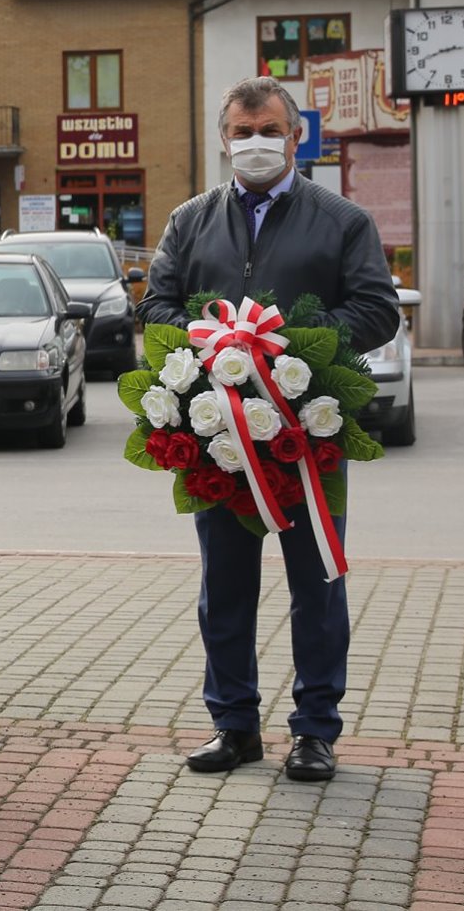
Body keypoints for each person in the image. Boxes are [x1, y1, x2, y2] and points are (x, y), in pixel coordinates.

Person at [137, 76, 399, 782]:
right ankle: (234, 724)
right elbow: (156, 303)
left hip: (305, 435)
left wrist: (290, 348)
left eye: (269, 130)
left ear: (295, 135)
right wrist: (212, 346)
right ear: (224, 137)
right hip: (217, 437)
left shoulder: (342, 220)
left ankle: (315, 729)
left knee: (316, 583)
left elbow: (377, 309)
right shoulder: (190, 219)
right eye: (243, 131)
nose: (256, 142)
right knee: (224, 585)